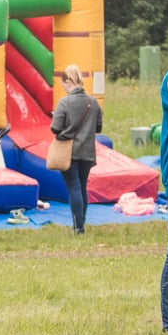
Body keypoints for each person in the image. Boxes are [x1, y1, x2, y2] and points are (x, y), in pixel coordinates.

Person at [50, 64, 103, 234]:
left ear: (67, 82)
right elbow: (98, 128)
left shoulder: (64, 102)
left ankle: (78, 227)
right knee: (82, 187)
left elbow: (55, 128)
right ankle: (81, 223)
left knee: (73, 187)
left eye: (63, 84)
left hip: (69, 151)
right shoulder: (93, 103)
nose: (63, 88)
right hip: (87, 151)